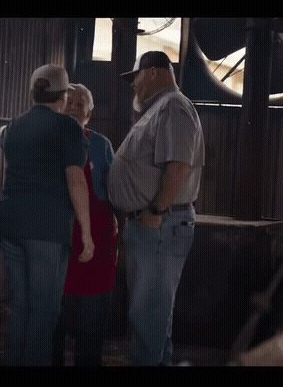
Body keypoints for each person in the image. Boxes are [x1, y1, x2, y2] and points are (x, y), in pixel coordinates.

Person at [107, 51, 205, 366]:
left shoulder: (173, 106)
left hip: (159, 225)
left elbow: (178, 165)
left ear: (151, 73)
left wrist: (156, 212)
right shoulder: (161, 108)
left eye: (135, 77)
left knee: (148, 313)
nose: (133, 85)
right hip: (154, 225)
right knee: (153, 315)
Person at [0, 64, 94, 366]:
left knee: (20, 307)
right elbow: (76, 179)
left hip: (10, 224)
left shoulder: (12, 126)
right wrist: (87, 234)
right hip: (46, 229)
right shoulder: (68, 128)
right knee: (44, 310)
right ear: (63, 97)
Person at [51, 84, 120, 366]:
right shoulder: (46, 141)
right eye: (68, 102)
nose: (73, 108)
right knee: (52, 319)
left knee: (91, 321)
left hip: (95, 242)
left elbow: (115, 192)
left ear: (89, 114)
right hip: (55, 239)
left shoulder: (101, 146)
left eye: (80, 105)